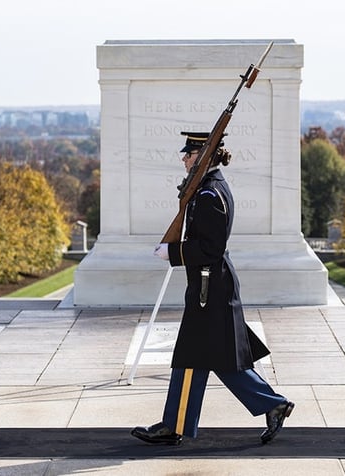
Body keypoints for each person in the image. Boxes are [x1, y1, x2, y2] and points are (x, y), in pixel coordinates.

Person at [131, 131, 294, 446]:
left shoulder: (209, 195)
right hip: (210, 284)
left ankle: (174, 425)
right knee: (212, 357)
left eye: (189, 154)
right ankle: (272, 405)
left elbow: (211, 248)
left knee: (194, 356)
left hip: (211, 287)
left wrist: (174, 253)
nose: (184, 159)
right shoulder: (207, 190)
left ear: (202, 158)